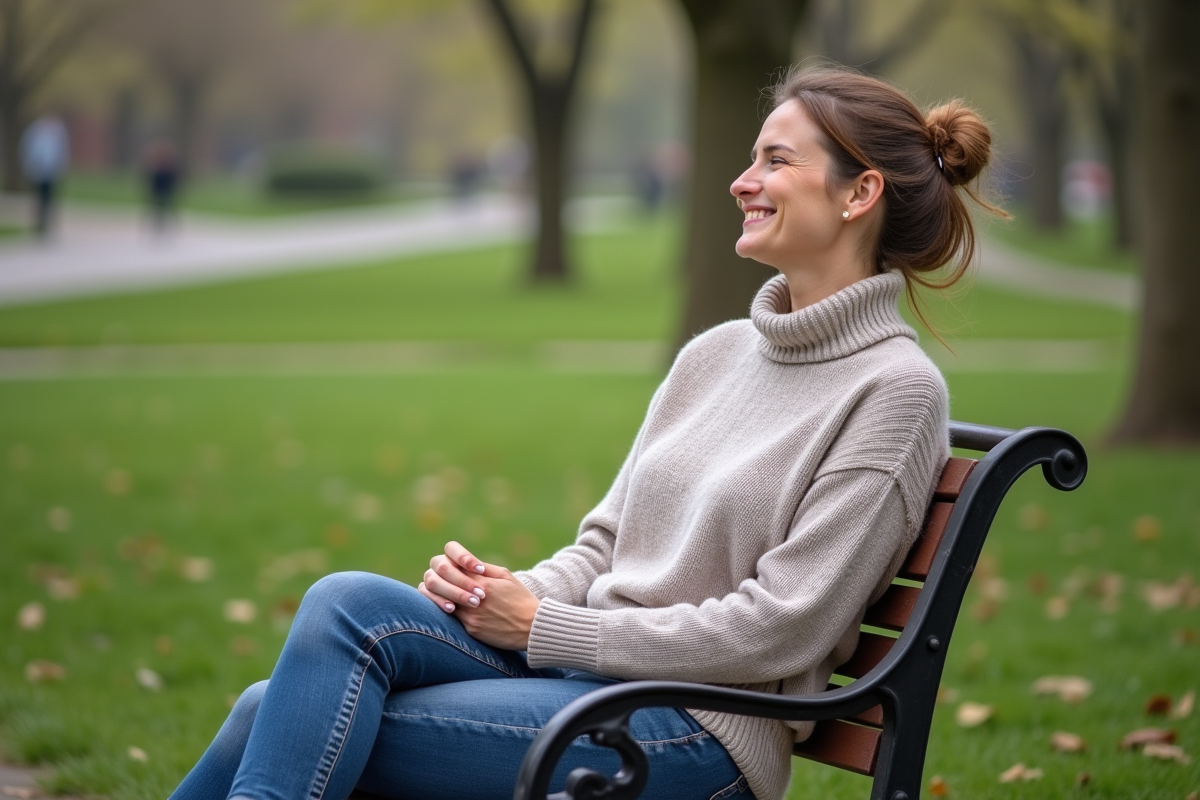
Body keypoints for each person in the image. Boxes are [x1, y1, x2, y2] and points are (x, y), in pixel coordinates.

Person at [169, 65, 1003, 800]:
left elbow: (784, 627)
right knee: (343, 604)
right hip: (589, 674)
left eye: (775, 161)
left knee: (276, 713)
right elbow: (606, 544)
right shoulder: (715, 354)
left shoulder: (895, 392)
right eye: (751, 157)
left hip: (692, 731)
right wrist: (504, 594)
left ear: (859, 194)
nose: (741, 182)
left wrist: (541, 627)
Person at [19, 113, 70, 238]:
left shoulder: (58, 132)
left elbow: (62, 151)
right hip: (38, 171)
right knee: (39, 197)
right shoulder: (34, 131)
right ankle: (39, 222)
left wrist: (61, 167)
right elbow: (27, 149)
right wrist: (29, 167)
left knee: (50, 197)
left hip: (52, 171)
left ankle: (48, 223)